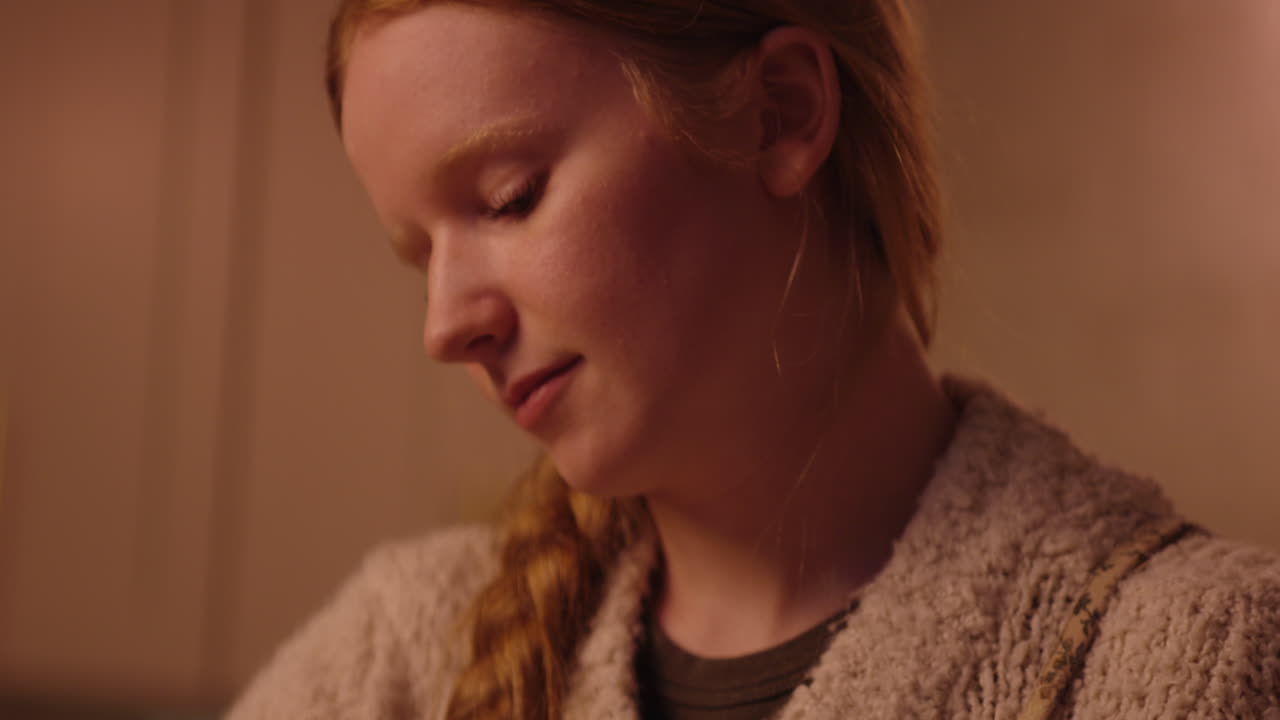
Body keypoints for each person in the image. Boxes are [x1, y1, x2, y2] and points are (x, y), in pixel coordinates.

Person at [228, 1, 1280, 718]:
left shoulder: (1190, 664)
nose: (443, 324)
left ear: (780, 113)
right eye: (418, 254)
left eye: (508, 198)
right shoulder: (397, 661)